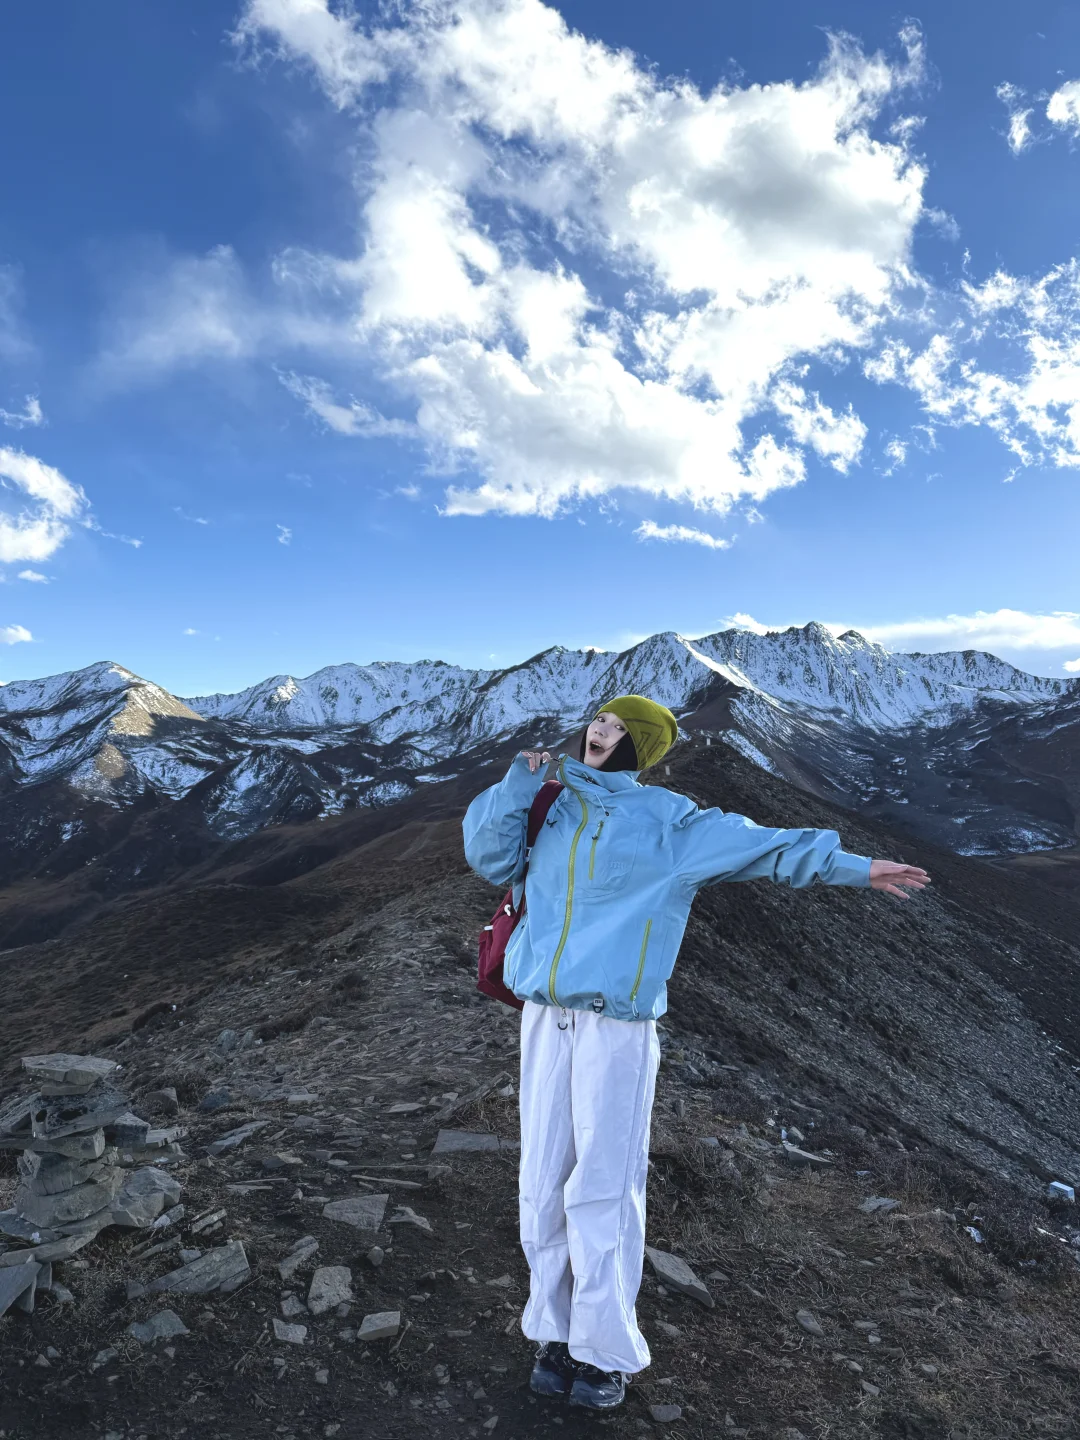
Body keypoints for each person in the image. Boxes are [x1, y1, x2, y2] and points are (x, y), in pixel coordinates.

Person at [462, 695, 929, 1411]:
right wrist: (516, 786)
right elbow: (487, 856)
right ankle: (552, 1333)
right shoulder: (547, 803)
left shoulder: (670, 822)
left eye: (619, 728)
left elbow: (768, 846)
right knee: (541, 1181)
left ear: (639, 748)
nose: (599, 731)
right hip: (544, 1019)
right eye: (599, 720)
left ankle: (603, 1353)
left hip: (615, 1026)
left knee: (604, 1190)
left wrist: (857, 867)